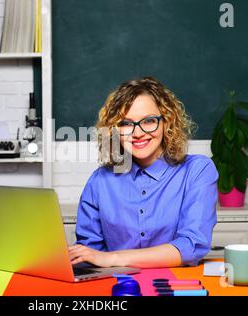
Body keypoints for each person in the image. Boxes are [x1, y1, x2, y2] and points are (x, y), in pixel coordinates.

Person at [68, 76, 218, 268]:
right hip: (118, 287)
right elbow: (89, 254)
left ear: (167, 122)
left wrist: (112, 258)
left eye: (148, 121)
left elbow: (191, 246)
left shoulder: (197, 170)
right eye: (126, 124)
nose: (137, 133)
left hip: (175, 284)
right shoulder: (100, 181)